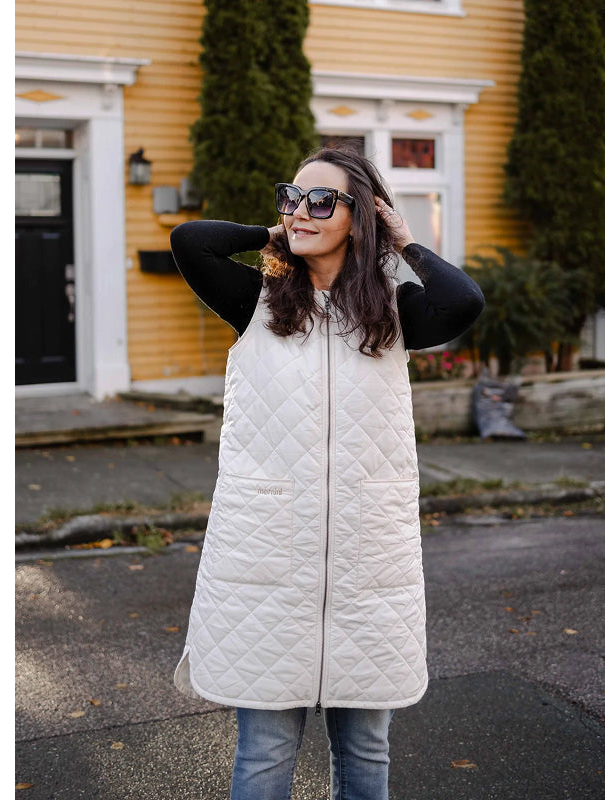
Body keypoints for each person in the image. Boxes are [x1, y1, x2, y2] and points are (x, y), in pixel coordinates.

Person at [170, 145, 484, 800]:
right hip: (265, 565)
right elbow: (190, 241)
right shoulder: (255, 301)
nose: (300, 211)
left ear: (359, 216)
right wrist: (277, 233)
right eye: (291, 197)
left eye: (321, 201)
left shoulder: (394, 311)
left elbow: (463, 301)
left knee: (367, 751)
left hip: (368, 569)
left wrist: (400, 238)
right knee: (264, 753)